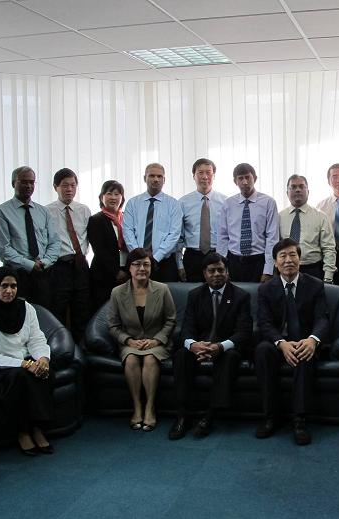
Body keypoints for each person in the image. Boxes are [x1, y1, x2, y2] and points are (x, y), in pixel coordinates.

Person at [0, 266, 55, 456]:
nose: (9, 291)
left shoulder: (27, 308)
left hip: (26, 360)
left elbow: (36, 339)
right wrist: (25, 364)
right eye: (4, 286)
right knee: (20, 377)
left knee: (45, 373)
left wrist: (42, 359)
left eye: (13, 286)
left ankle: (37, 428)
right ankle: (23, 431)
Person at [169, 252, 252, 440]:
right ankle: (183, 415)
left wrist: (220, 347)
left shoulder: (241, 296)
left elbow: (244, 332)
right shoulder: (195, 295)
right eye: (212, 271)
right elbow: (186, 328)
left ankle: (210, 415)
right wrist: (194, 345)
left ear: (227, 272)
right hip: (200, 347)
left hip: (225, 348)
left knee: (230, 357)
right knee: (181, 355)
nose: (216, 274)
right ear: (204, 274)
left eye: (220, 270)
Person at [254, 238, 329, 445]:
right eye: (283, 256)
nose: (288, 260)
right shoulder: (265, 289)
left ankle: (299, 420)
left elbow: (322, 318)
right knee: (262, 351)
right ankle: (270, 416)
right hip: (277, 343)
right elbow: (264, 323)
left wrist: (313, 340)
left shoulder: (315, 286)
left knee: (305, 353)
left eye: (292, 255)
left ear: (300, 259)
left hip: (304, 339)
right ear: (275, 263)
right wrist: (281, 343)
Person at [107, 247, 176, 431]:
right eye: (137, 264)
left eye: (146, 264)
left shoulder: (162, 289)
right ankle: (137, 406)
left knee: (150, 358)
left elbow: (171, 320)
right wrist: (128, 340)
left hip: (157, 342)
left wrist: (157, 340)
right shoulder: (117, 293)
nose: (142, 269)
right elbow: (113, 326)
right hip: (131, 343)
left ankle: (150, 407)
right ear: (129, 268)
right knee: (131, 359)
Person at [0, 166, 59, 308]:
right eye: (24, 182)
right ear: (13, 183)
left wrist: (45, 262)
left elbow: (54, 242)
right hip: (18, 274)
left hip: (43, 273)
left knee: (44, 313)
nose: (28, 186)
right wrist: (30, 265)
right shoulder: (2, 212)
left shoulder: (43, 212)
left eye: (31, 182)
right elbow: (3, 248)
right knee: (19, 314)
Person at [45, 168, 91, 343]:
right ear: (55, 187)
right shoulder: (46, 211)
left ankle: (81, 348)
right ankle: (61, 347)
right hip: (59, 267)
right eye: (65, 185)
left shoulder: (84, 210)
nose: (69, 189)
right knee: (58, 311)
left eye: (73, 185)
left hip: (81, 266)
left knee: (82, 310)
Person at [217, 163, 279, 283]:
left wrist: (268, 270)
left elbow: (272, 238)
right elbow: (222, 237)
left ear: (254, 178)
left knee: (259, 294)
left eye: (247, 177)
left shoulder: (268, 202)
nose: (245, 182)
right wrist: (222, 267)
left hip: (258, 261)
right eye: (240, 178)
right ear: (235, 181)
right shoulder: (228, 204)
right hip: (234, 261)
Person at [122, 163, 182, 282]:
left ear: (164, 180)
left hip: (164, 263)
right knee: (138, 293)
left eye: (159, 176)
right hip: (137, 263)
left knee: (165, 293)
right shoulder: (133, 203)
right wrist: (140, 257)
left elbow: (174, 234)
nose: (156, 179)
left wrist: (155, 258)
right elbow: (127, 231)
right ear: (145, 178)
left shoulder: (173, 204)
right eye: (152, 176)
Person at [177, 158, 228, 283]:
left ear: (214, 176)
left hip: (218, 256)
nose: (205, 177)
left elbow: (229, 235)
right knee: (193, 292)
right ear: (193, 176)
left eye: (208, 173)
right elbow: (178, 237)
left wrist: (226, 260)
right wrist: (179, 264)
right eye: (200, 173)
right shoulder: (183, 203)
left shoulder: (225, 202)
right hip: (192, 257)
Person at [279, 175, 337, 282]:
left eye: (301, 186)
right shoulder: (279, 217)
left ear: (308, 192)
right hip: (286, 270)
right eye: (293, 187)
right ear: (287, 193)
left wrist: (328, 277)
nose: (297, 190)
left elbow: (329, 249)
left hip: (312, 270)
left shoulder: (321, 217)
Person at [87, 180, 129, 313]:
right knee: (105, 311)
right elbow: (100, 250)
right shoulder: (96, 220)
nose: (113, 197)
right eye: (109, 193)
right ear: (102, 197)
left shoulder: (127, 218)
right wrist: (116, 271)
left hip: (127, 271)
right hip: (104, 273)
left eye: (117, 194)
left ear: (122, 198)